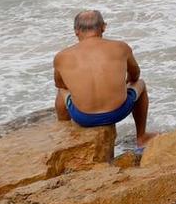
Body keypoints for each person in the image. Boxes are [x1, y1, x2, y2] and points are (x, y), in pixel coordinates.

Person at [52, 10, 149, 144]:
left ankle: (65, 137)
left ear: (76, 31)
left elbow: (60, 85)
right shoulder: (121, 47)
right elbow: (135, 75)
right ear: (104, 27)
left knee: (62, 92)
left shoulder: (61, 57)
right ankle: (141, 137)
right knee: (141, 83)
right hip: (119, 112)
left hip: (83, 118)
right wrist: (123, 85)